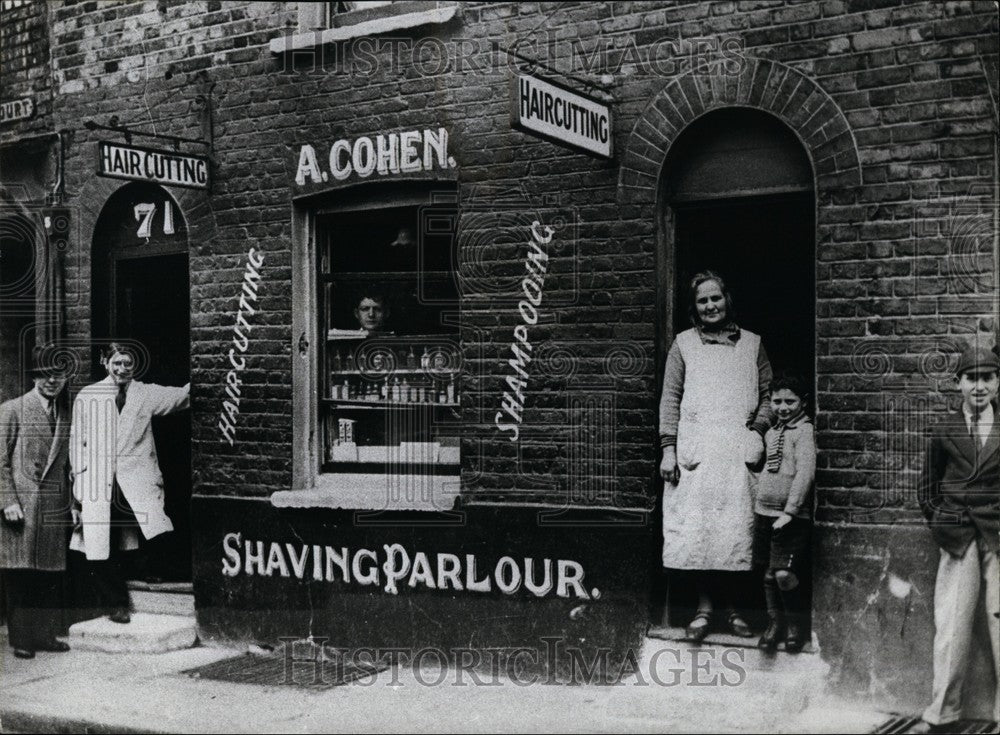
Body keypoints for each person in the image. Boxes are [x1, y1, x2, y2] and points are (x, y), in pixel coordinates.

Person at [658, 270, 773, 641]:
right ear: (695, 307)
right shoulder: (684, 345)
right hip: (698, 453)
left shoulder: (753, 344)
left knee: (736, 532)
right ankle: (704, 611)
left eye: (716, 298)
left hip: (736, 453)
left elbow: (771, 395)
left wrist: (756, 431)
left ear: (728, 300)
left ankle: (736, 608)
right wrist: (668, 450)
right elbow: (670, 399)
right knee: (701, 533)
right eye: (702, 301)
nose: (710, 306)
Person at [69, 342, 190, 624]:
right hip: (98, 478)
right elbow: (77, 441)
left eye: (128, 364)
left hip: (135, 475)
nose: (122, 369)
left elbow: (182, 397)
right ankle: (117, 603)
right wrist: (79, 483)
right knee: (100, 540)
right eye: (117, 363)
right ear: (105, 362)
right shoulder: (89, 396)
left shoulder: (144, 394)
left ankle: (154, 571)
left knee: (153, 526)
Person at [913, 340, 999, 733]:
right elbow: (927, 487)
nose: (979, 387)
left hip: (998, 533)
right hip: (958, 534)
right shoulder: (944, 427)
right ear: (958, 383)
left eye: (988, 378)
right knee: (951, 625)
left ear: (998, 382)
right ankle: (943, 712)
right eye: (971, 379)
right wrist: (941, 523)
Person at [0, 349, 73, 659]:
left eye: (58, 374)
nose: (52, 380)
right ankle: (22, 639)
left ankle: (44, 636)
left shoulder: (65, 414)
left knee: (48, 574)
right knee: (20, 573)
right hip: (22, 507)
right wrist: (7, 501)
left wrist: (74, 504)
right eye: (45, 374)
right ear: (34, 376)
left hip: (54, 506)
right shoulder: (12, 410)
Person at [752, 373, 816, 653]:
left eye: (790, 401)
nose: (783, 407)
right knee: (767, 574)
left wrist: (791, 510)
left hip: (789, 516)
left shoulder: (803, 432)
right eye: (777, 401)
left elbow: (805, 472)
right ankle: (774, 624)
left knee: (783, 574)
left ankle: (795, 624)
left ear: (803, 402)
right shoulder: (771, 431)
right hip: (764, 511)